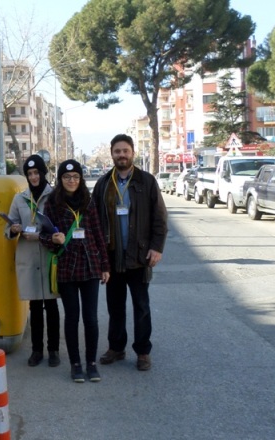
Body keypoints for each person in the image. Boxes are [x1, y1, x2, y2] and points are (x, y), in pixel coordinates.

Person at [91, 134, 167, 372]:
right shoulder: (103, 184)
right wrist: (98, 256)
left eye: (125, 151)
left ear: (132, 153)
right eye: (117, 151)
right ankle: (116, 347)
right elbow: (93, 221)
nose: (121, 155)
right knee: (115, 306)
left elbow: (160, 218)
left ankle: (143, 351)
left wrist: (157, 247)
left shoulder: (146, 181)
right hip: (112, 257)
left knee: (141, 306)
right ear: (112, 154)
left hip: (140, 256)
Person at [41, 159, 110, 383]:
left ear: (80, 179)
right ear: (60, 180)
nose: (72, 181)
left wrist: (105, 266)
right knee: (72, 318)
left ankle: (91, 363)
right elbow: (44, 235)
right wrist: (53, 239)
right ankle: (75, 364)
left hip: (90, 266)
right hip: (66, 268)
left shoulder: (89, 201)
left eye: (76, 177)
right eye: (67, 177)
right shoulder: (52, 202)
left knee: (91, 318)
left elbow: (98, 233)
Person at [5, 154, 60, 368]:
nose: (34, 177)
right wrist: (13, 229)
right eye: (30, 174)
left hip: (48, 256)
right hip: (28, 257)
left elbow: (61, 223)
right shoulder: (20, 198)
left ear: (43, 173)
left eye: (37, 172)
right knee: (35, 308)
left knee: (52, 306)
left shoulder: (55, 196)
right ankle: (37, 350)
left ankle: (53, 350)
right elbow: (9, 226)